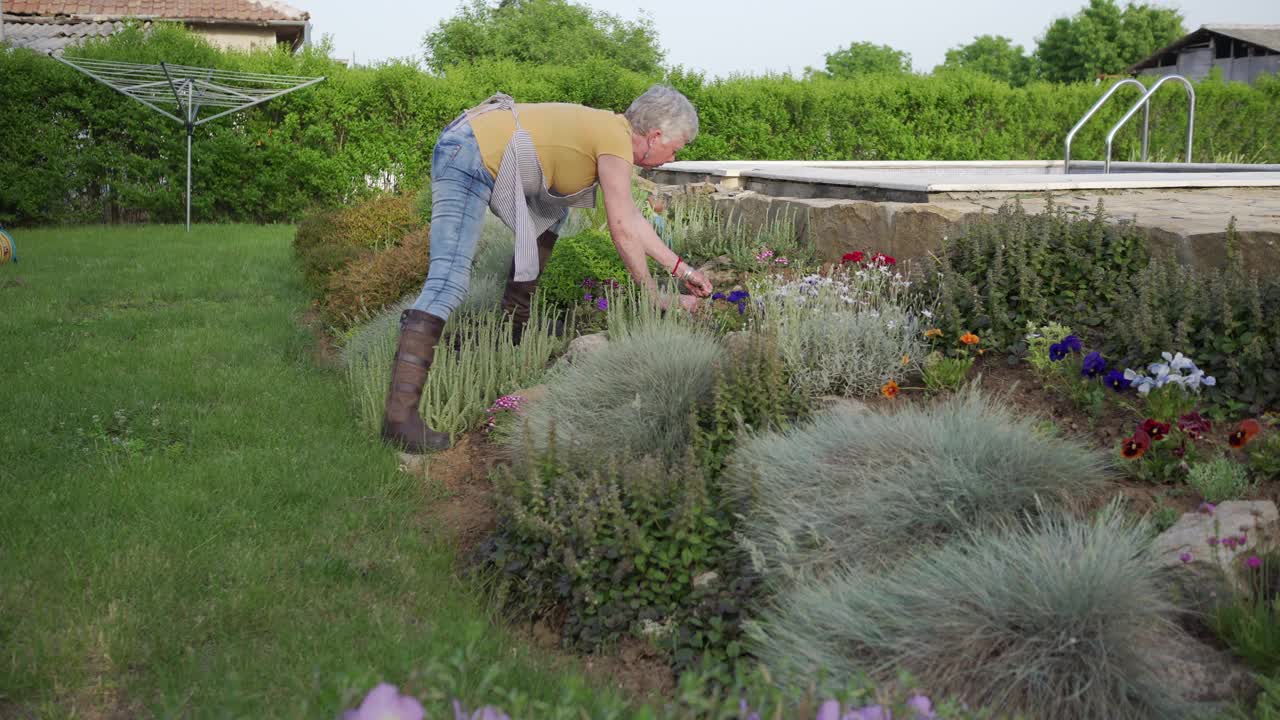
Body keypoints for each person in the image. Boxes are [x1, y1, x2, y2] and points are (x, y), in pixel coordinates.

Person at [382, 85, 713, 454]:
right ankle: (399, 419)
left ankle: (512, 329)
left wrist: (683, 270)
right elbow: (622, 230)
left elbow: (632, 219)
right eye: (676, 147)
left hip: (473, 145)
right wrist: (654, 296)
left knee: (553, 210)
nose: (672, 158)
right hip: (468, 153)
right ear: (654, 137)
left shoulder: (610, 132)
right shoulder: (614, 139)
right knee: (448, 280)